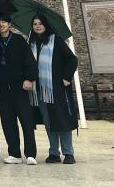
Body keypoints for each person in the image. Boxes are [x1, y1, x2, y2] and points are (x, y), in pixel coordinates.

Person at [28, 15, 79, 165]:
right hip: (40, 90)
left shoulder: (55, 40)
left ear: (46, 25)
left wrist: (66, 78)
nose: (38, 26)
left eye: (40, 23)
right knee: (48, 121)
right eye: (35, 24)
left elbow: (72, 59)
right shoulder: (30, 43)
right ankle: (54, 152)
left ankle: (68, 153)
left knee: (61, 120)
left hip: (56, 88)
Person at [0, 14, 39, 165]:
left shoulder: (19, 40)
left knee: (26, 120)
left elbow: (30, 62)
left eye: (4, 21)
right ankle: (15, 153)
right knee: (8, 121)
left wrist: (29, 78)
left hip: (19, 87)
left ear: (9, 24)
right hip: (3, 89)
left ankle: (30, 153)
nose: (1, 24)